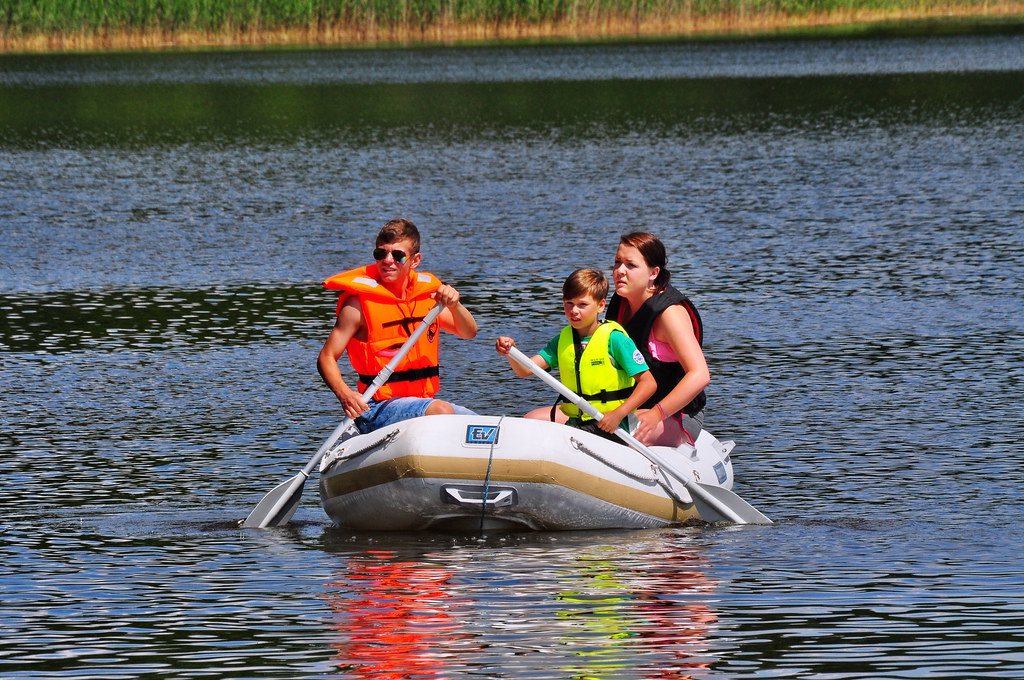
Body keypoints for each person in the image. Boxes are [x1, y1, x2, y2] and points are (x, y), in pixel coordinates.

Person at [317, 218, 478, 434]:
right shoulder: (357, 306)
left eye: (398, 255)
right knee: (442, 410)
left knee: (486, 425)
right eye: (380, 254)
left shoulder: (428, 298)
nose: (388, 260)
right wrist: (345, 394)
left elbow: (469, 332)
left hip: (423, 404)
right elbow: (326, 357)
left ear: (415, 260)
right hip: (375, 409)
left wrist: (455, 305)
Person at [495, 268, 656, 442]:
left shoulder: (615, 339)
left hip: (613, 426)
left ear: (600, 306)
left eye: (582, 304)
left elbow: (648, 383)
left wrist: (618, 413)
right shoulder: (563, 340)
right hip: (576, 423)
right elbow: (525, 370)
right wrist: (511, 352)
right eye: (569, 303)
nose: (574, 311)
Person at [606, 232, 710, 447]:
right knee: (537, 418)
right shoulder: (620, 302)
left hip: (676, 416)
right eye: (617, 262)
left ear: (653, 273)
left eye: (630, 265)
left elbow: (700, 375)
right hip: (624, 406)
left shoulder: (670, 314)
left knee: (617, 436)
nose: (619, 271)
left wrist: (656, 414)